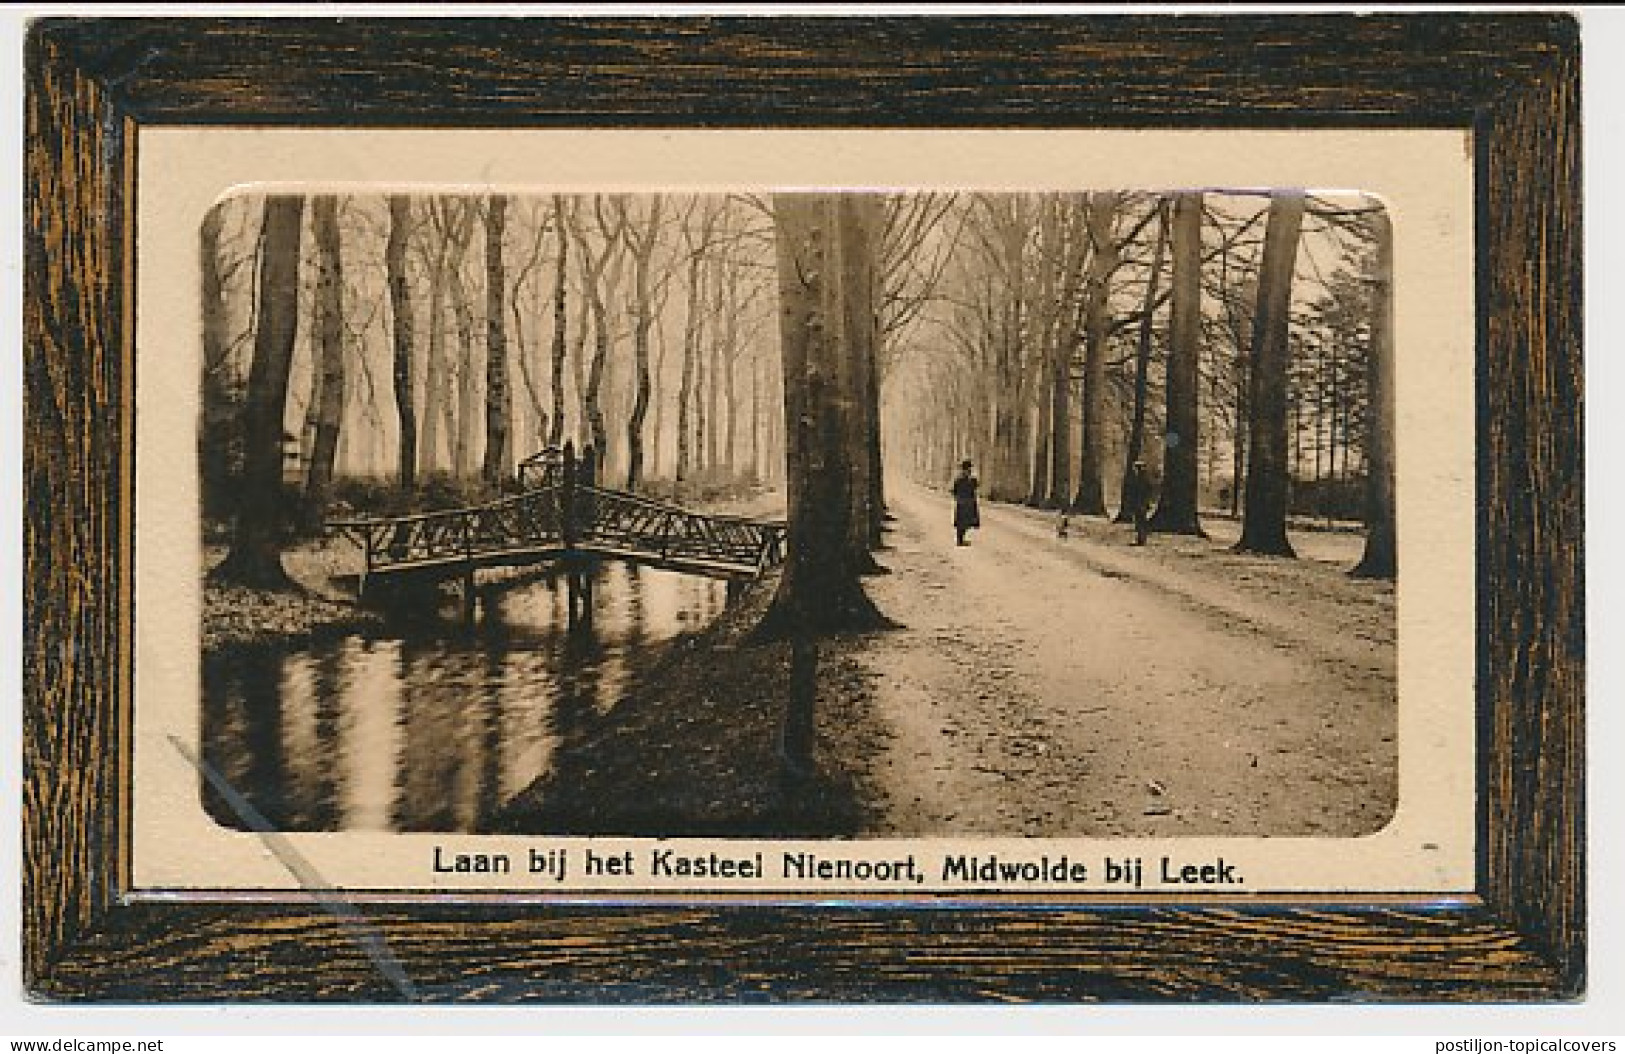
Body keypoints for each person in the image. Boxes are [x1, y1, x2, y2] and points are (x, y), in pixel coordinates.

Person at [951, 460, 980, 546]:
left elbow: (954, 491)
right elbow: (954, 491)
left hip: (966, 503)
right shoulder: (963, 479)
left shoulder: (969, 479)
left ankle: (961, 540)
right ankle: (960, 541)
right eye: (968, 468)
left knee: (965, 522)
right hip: (965, 503)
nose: (969, 470)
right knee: (962, 522)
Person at [1125, 459, 1153, 546]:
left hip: (1140, 503)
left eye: (1137, 468)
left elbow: (1144, 492)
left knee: (1140, 522)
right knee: (1139, 522)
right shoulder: (1141, 479)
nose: (1136, 469)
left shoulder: (1141, 479)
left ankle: (1142, 539)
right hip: (1140, 503)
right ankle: (1140, 539)